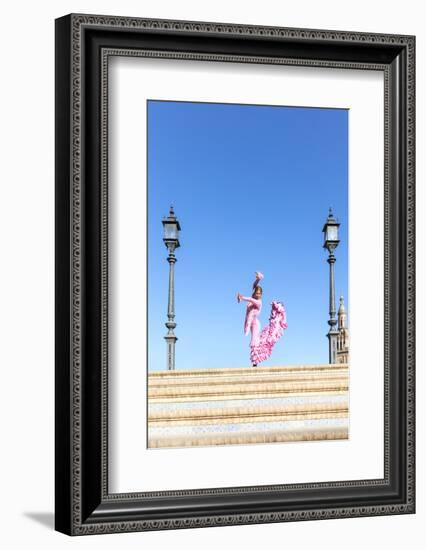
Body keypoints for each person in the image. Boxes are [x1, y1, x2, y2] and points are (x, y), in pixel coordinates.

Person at [237, 272, 287, 367]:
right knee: (254, 341)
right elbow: (254, 285)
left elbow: (251, 300)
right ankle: (254, 360)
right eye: (257, 293)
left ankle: (255, 362)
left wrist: (242, 297)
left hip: (255, 323)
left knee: (254, 341)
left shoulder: (258, 302)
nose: (259, 295)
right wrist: (258, 279)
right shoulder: (253, 296)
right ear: (255, 293)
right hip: (251, 323)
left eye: (260, 293)